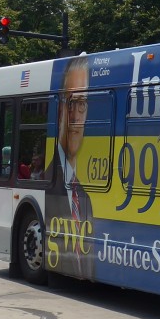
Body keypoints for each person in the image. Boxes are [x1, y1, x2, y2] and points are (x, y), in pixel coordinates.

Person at [44, 55, 95, 279]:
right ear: (59, 108)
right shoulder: (47, 181)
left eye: (81, 103)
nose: (75, 116)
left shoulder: (86, 195)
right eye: (70, 102)